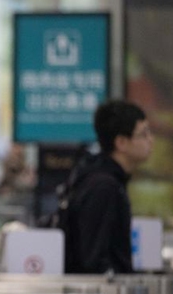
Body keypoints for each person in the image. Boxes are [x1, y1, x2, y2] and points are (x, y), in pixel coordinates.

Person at [64, 100, 153, 274]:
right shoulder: (103, 187)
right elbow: (93, 259)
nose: (151, 140)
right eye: (144, 134)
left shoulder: (104, 178)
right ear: (121, 142)